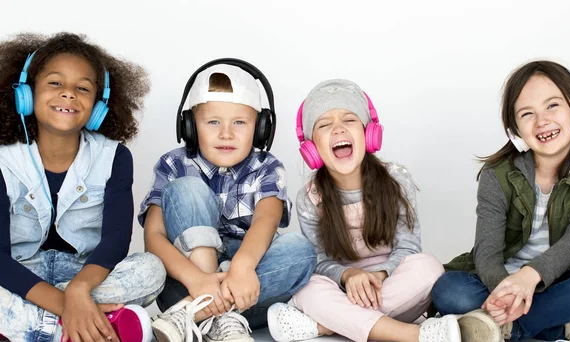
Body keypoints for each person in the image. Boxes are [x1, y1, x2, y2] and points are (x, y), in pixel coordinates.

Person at [0, 32, 166, 342]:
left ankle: (31, 325)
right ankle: (90, 326)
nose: (68, 94)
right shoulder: (3, 159)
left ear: (99, 105)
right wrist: (67, 305)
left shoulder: (114, 156)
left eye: (82, 88)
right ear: (26, 92)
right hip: (22, 274)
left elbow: (116, 240)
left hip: (86, 276)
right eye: (54, 83)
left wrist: (77, 290)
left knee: (151, 269)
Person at [267, 79, 461, 342]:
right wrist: (349, 275)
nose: (338, 129)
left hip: (391, 284)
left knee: (429, 267)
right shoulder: (310, 198)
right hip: (344, 288)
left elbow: (409, 247)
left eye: (349, 120)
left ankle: (328, 325)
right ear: (311, 147)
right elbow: (321, 261)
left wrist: (378, 275)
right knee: (307, 287)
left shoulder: (396, 179)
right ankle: (411, 334)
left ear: (369, 133)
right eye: (324, 125)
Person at [141, 59, 316, 342]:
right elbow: (154, 236)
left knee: (302, 251)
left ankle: (192, 315)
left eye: (239, 122)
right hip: (185, 280)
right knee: (188, 189)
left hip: (249, 283)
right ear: (190, 126)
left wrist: (242, 268)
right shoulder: (173, 164)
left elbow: (266, 219)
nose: (226, 133)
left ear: (260, 129)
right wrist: (199, 280)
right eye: (212, 122)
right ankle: (217, 315)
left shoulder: (267, 167)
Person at [433, 60, 570, 342]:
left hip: (560, 279)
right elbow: (486, 252)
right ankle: (563, 325)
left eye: (552, 106)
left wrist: (531, 277)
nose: (542, 121)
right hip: (498, 283)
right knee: (450, 291)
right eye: (527, 114)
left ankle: (507, 329)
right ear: (515, 131)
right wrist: (506, 291)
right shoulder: (497, 175)